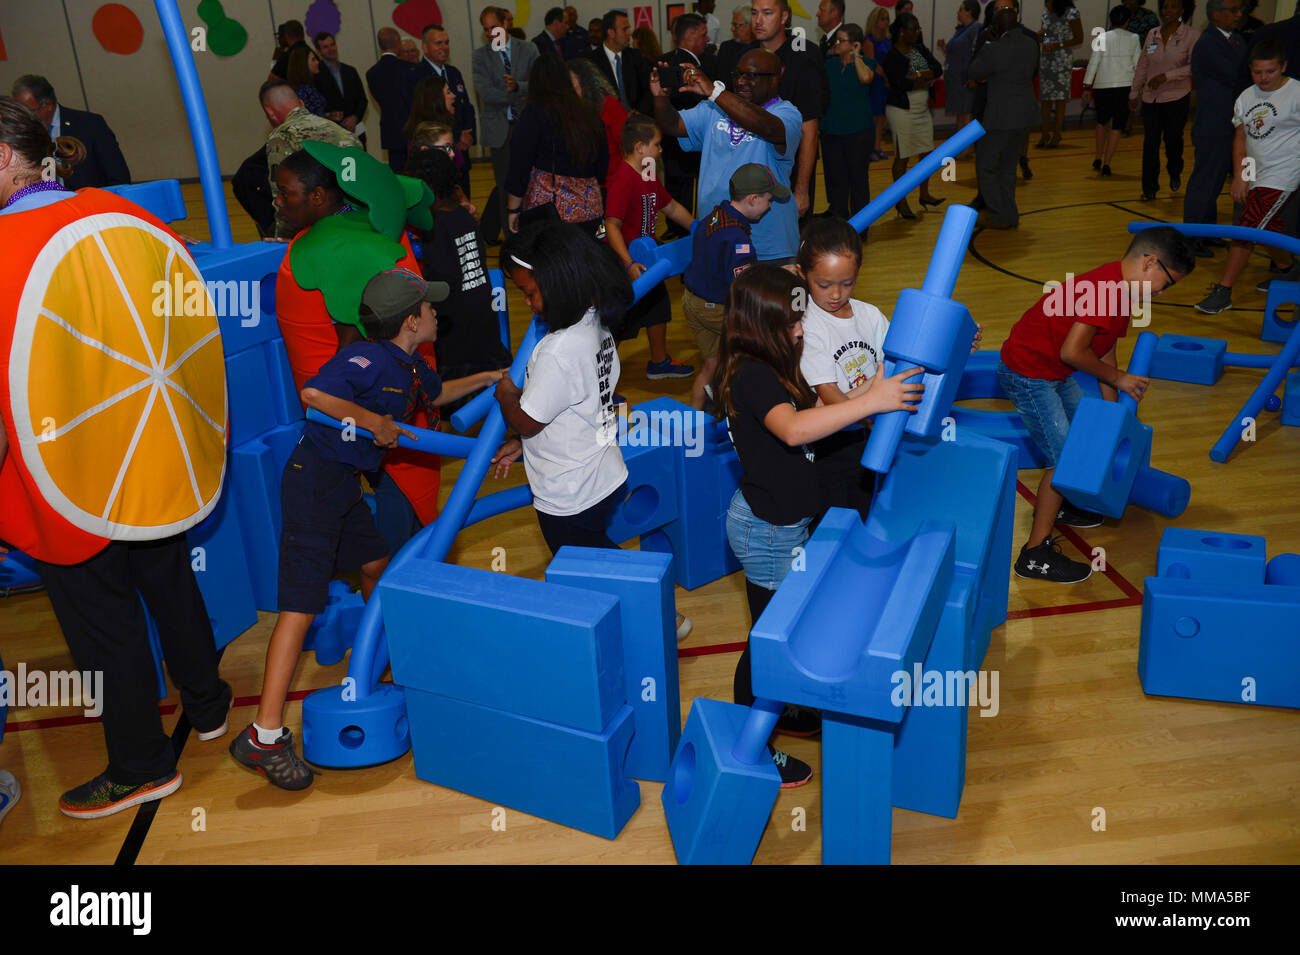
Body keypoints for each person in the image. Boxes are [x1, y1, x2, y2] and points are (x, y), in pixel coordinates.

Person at [0, 96, 228, 818]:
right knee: (168, 582)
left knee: (105, 624)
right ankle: (211, 701)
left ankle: (140, 764)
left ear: (4, 158)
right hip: (153, 451)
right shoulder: (126, 214)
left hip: (63, 475)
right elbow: (183, 302)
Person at [230, 268, 505, 790]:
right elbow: (314, 395)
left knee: (378, 564)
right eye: (429, 308)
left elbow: (440, 393)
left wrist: (492, 379)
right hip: (312, 484)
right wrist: (373, 422)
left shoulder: (411, 364)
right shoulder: (367, 359)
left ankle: (376, 657)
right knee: (300, 608)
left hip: (345, 487)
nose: (435, 314)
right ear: (410, 320)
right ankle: (263, 736)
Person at [715, 265, 924, 786]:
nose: (801, 331)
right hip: (767, 531)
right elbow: (793, 429)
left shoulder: (770, 363)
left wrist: (868, 394)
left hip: (781, 524)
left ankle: (778, 710)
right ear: (759, 325)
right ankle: (752, 745)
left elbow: (814, 412)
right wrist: (873, 402)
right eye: (791, 325)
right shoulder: (752, 375)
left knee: (784, 624)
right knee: (770, 639)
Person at [272, 144, 445, 549]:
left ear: (318, 197)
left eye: (286, 192)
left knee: (395, 501)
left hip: (371, 413)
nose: (277, 201)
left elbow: (350, 351)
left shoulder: (334, 246)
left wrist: (349, 408)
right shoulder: (359, 221)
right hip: (389, 407)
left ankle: (395, 581)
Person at [998, 227, 1195, 582]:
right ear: (1149, 263)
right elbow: (1072, 352)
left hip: (1051, 372)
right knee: (1064, 458)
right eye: (1166, 283)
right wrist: (1119, 381)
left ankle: (1060, 506)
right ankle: (1033, 556)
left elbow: (1104, 348)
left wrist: (1111, 410)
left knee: (1085, 437)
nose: (1163, 293)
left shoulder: (1120, 289)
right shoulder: (1107, 291)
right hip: (1028, 374)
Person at [490, 222, 633, 552]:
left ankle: (645, 601)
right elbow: (574, 406)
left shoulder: (557, 351)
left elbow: (528, 420)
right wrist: (524, 444)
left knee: (580, 570)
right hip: (603, 474)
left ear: (559, 287)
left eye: (530, 293)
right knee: (592, 552)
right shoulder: (595, 321)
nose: (527, 303)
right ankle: (642, 598)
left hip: (569, 494)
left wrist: (507, 396)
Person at [654, 49, 802, 266]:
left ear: (774, 79)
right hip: (718, 238)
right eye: (738, 75)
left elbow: (765, 127)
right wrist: (660, 97)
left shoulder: (787, 114)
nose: (741, 82)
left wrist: (715, 92)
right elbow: (672, 124)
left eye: (751, 76)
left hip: (768, 247)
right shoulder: (713, 109)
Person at [1195, 41, 1300, 314]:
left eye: (1270, 72)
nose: (1263, 78)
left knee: (1247, 226)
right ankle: (1289, 268)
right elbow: (1241, 139)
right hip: (1255, 170)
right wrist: (1241, 176)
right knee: (1264, 226)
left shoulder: (1297, 93)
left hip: (1284, 172)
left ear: (1283, 67)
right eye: (1257, 72)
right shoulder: (1246, 96)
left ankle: (1224, 290)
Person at [681, 164, 784, 409]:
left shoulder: (715, 215)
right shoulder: (738, 239)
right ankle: (743, 412)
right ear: (753, 199)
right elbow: (744, 288)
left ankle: (693, 428)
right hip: (716, 309)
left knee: (710, 366)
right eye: (769, 200)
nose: (770, 206)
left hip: (692, 301)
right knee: (761, 352)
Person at [409, 148, 511, 393]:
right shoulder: (463, 217)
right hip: (481, 314)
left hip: (455, 327)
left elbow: (443, 281)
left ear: (425, 188)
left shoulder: (436, 227)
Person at [604, 112, 697, 379]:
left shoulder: (647, 172)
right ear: (639, 148)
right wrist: (628, 263)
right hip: (627, 263)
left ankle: (659, 361)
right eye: (657, 144)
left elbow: (669, 205)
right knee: (620, 323)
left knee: (658, 308)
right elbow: (612, 225)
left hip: (649, 259)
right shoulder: (623, 178)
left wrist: (697, 228)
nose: (660, 149)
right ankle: (602, 385)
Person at [505, 54, 608, 234]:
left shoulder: (533, 114)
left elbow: (519, 166)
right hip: (591, 209)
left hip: (552, 214)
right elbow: (602, 167)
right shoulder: (589, 113)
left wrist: (513, 209)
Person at [750, 0, 827, 222]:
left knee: (792, 244)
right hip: (753, 167)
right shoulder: (746, 56)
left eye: (767, 13)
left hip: (789, 169)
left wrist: (801, 189)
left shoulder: (803, 59)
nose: (758, 20)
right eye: (754, 13)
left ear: (784, 17)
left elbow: (810, 129)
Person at [1184, 1, 1250, 257]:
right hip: (1214, 124)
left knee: (1212, 185)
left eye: (1239, 10)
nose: (1238, 14)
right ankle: (1191, 239)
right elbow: (1238, 75)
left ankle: (1206, 233)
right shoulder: (1209, 42)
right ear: (1215, 13)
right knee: (1204, 182)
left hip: (1229, 125)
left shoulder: (1235, 39)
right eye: (1232, 10)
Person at [970, 0, 1042, 229]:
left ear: (996, 27)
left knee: (986, 166)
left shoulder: (993, 48)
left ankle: (1001, 214)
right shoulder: (1031, 45)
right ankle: (1010, 215)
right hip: (1025, 115)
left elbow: (974, 72)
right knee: (1008, 168)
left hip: (1000, 117)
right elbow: (1033, 71)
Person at [473, 5, 540, 243]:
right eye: (486, 29)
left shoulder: (529, 49)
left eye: (494, 26)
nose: (491, 32)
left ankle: (532, 234)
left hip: (527, 127)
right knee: (504, 188)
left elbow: (539, 83)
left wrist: (518, 86)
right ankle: (511, 241)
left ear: (507, 23)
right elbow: (486, 93)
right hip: (500, 131)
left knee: (532, 184)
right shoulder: (480, 56)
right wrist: (514, 93)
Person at [261, 81, 360, 239]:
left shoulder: (283, 136)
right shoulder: (341, 131)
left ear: (270, 112)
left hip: (314, 232)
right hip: (353, 224)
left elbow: (283, 198)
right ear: (301, 103)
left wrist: (283, 239)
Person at [1129, 0, 1199, 201]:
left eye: (1173, 6)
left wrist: (1166, 76)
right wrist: (1134, 93)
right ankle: (1149, 189)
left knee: (1172, 142)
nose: (1167, 11)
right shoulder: (1153, 34)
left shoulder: (1192, 36)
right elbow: (1143, 64)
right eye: (1165, 6)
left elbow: (1195, 67)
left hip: (1176, 97)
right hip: (1151, 99)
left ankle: (1175, 170)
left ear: (1182, 9)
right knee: (1150, 144)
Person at [10, 75, 130, 189]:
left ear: (48, 105)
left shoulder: (90, 124)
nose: (25, 117)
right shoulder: (23, 133)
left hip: (91, 204)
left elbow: (118, 176)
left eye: (29, 111)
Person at [883, 13, 945, 219]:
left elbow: (936, 69)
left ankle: (924, 194)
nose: (918, 32)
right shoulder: (893, 56)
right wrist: (923, 76)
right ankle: (901, 202)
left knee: (927, 152)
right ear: (902, 32)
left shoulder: (918, 50)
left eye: (918, 29)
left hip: (921, 109)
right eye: (914, 29)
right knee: (903, 156)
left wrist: (918, 75)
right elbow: (902, 83)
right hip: (901, 111)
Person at [659, 12, 716, 232]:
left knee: (674, 194)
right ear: (690, 35)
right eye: (703, 34)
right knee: (689, 204)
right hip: (690, 149)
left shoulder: (664, 61)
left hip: (671, 146)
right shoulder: (691, 68)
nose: (707, 39)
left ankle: (677, 232)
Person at [413, 24, 477, 197]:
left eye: (446, 42)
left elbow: (466, 106)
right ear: (425, 47)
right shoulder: (417, 76)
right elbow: (426, 116)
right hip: (437, 158)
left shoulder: (453, 72)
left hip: (461, 154)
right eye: (438, 43)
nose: (444, 47)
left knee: (465, 202)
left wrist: (468, 134)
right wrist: (456, 137)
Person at [820, 24, 875, 222]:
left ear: (854, 44)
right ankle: (839, 221)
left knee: (858, 180)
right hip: (832, 131)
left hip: (859, 132)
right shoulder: (829, 65)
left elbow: (866, 78)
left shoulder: (866, 64)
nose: (836, 43)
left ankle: (860, 225)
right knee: (836, 180)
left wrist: (857, 56)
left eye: (841, 40)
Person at [1083, 6, 1142, 176]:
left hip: (1102, 86)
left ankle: (1097, 157)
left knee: (1101, 122)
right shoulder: (1134, 38)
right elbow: (1138, 64)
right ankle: (1107, 163)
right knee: (1117, 125)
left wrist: (1087, 86)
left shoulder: (1102, 36)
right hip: (1124, 86)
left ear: (1111, 20)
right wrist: (1138, 89)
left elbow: (1093, 62)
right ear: (1127, 21)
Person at [367, 26, 419, 171]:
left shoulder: (371, 73)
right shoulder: (408, 69)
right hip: (413, 131)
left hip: (391, 131)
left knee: (398, 175)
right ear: (398, 43)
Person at [1036, 1, 1084, 149]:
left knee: (1060, 98)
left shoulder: (1071, 13)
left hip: (1062, 59)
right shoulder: (1046, 13)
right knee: (1045, 98)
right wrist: (1043, 38)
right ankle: (1044, 133)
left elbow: (1079, 38)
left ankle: (1057, 133)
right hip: (1047, 58)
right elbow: (1046, 36)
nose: (1047, 3)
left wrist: (1057, 45)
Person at [568, 57, 627, 178]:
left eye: (572, 86)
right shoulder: (568, 111)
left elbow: (628, 145)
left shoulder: (609, 105)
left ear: (585, 84)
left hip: (613, 180)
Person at [586, 9, 654, 113]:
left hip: (637, 121)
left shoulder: (635, 56)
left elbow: (648, 89)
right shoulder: (592, 61)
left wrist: (638, 112)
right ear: (611, 33)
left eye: (629, 29)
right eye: (625, 29)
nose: (629, 33)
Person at [313, 32, 369, 144]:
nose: (331, 49)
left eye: (332, 44)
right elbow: (316, 107)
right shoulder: (316, 75)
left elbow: (362, 100)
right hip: (333, 134)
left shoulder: (350, 71)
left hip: (356, 132)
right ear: (318, 51)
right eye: (325, 47)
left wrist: (355, 118)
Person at [938, 0, 984, 132]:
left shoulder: (976, 28)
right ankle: (961, 148)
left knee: (967, 113)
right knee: (960, 113)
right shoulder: (961, 30)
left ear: (970, 12)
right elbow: (955, 55)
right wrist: (943, 47)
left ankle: (967, 148)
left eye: (961, 9)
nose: (958, 12)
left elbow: (977, 54)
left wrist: (972, 76)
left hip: (966, 79)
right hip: (955, 79)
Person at [866, 6, 892, 160]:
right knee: (874, 116)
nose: (886, 22)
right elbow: (872, 62)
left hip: (885, 81)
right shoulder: (869, 39)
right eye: (882, 19)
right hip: (876, 81)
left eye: (887, 19)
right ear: (875, 21)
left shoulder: (887, 39)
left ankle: (877, 146)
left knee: (882, 116)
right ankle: (870, 149)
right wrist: (886, 78)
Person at [285, 45, 329, 117]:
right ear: (303, 64)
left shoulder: (302, 87)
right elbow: (311, 117)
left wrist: (329, 115)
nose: (317, 62)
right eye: (313, 59)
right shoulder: (305, 90)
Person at [717, 5, 756, 83]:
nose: (732, 29)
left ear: (751, 26)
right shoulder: (726, 48)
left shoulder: (762, 47)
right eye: (732, 24)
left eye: (736, 25)